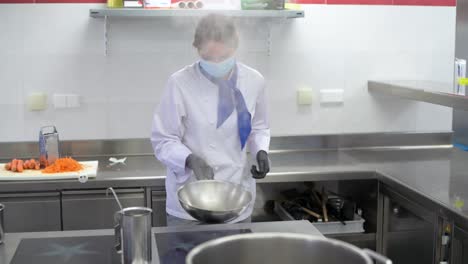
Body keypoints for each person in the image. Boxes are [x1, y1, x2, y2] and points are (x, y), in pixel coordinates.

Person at [151, 14, 270, 226]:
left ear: (235, 47)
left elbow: (259, 127)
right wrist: (189, 159)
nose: (216, 63)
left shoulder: (254, 81)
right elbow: (164, 139)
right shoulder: (180, 83)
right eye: (209, 58)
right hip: (190, 201)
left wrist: (261, 150)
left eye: (222, 58)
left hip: (237, 195)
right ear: (197, 49)